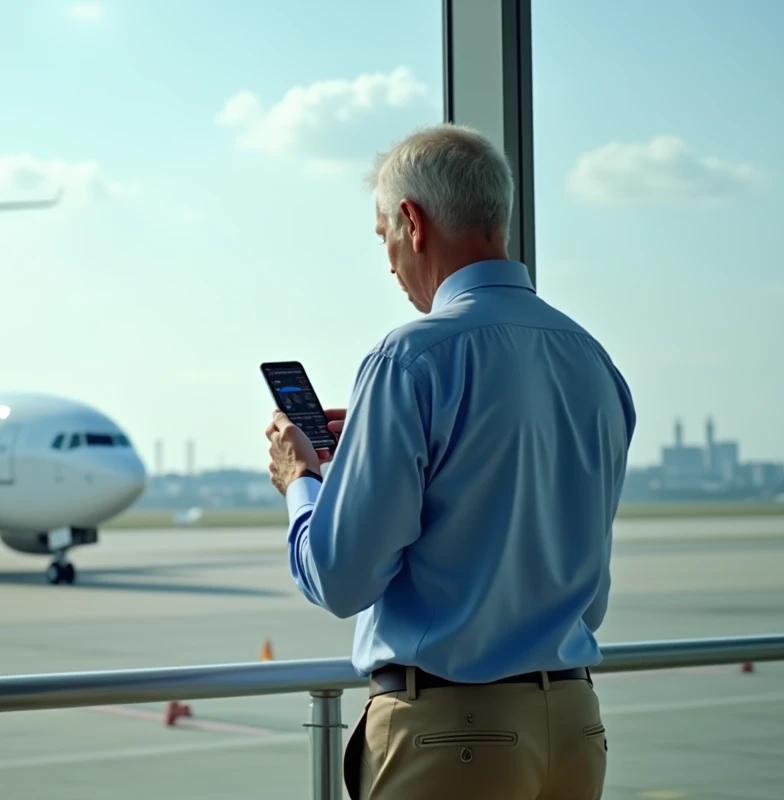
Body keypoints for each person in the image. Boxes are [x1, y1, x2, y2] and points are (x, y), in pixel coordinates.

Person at [265, 123, 636, 800]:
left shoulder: (409, 358)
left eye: (383, 238)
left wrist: (306, 483)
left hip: (453, 736)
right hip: (575, 730)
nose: (388, 263)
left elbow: (341, 579)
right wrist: (372, 458)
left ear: (411, 221)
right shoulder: (593, 361)